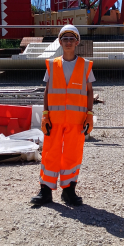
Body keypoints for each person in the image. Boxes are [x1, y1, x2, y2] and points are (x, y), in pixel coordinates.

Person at [30, 25, 95, 206]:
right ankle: (45, 191)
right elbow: (47, 91)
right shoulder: (52, 65)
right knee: (50, 153)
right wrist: (45, 115)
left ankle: (69, 191)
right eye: (65, 39)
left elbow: (90, 92)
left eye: (71, 39)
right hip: (55, 120)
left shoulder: (85, 66)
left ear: (77, 42)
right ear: (60, 42)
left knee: (72, 154)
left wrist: (89, 114)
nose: (68, 42)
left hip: (77, 120)